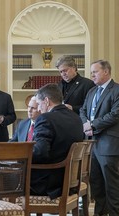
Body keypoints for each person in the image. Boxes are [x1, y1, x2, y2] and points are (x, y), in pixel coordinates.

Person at [80, 60, 119, 216]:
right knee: (96, 184)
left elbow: (115, 114)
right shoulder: (91, 91)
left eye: (95, 72)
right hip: (91, 144)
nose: (92, 75)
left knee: (112, 185)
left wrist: (93, 125)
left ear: (106, 72)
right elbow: (82, 110)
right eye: (91, 72)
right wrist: (85, 124)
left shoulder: (116, 90)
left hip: (109, 144)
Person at [31, 83, 83, 199]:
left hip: (48, 184)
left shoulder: (45, 119)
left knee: (7, 181)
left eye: (39, 104)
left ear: (47, 101)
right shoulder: (76, 118)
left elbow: (41, 153)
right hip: (69, 181)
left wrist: (20, 157)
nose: (38, 109)